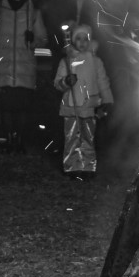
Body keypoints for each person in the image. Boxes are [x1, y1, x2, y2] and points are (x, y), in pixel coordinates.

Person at [0, 0, 48, 152]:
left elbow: (43, 40)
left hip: (24, 68)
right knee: (6, 106)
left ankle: (19, 139)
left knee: (21, 106)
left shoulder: (33, 13)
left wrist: (33, 40)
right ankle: (9, 138)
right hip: (3, 68)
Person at [54, 22, 113, 179]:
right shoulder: (66, 61)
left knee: (88, 138)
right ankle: (71, 167)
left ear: (90, 40)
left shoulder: (96, 61)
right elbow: (58, 83)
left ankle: (88, 167)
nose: (82, 42)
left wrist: (107, 99)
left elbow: (102, 82)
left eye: (85, 39)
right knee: (72, 138)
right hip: (71, 107)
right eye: (78, 39)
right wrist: (66, 81)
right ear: (73, 40)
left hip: (89, 106)